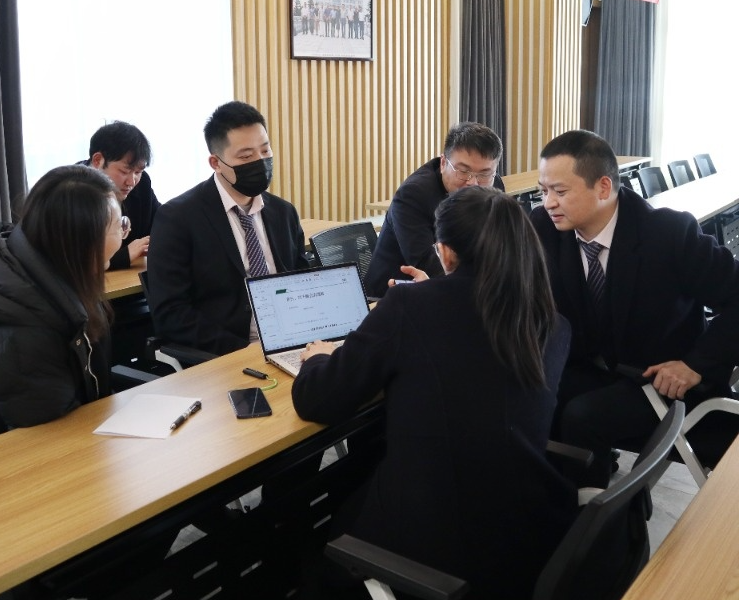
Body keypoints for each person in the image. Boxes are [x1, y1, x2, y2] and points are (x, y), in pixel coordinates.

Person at [293, 187, 577, 599]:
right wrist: (432, 293)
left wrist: (318, 357)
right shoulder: (552, 321)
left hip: (440, 541)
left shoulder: (409, 306)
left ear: (444, 252)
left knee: (323, 535)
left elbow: (318, 399)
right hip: (528, 527)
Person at [531, 129, 739, 488]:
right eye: (543, 191)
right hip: (594, 366)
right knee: (529, 397)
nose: (548, 203)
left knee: (583, 417)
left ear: (603, 187)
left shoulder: (669, 233)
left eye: (559, 192)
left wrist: (694, 364)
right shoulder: (543, 229)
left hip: (662, 380)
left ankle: (603, 518)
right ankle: (558, 506)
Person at [0, 165, 124, 453]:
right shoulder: (23, 330)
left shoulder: (39, 269)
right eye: (118, 226)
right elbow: (49, 438)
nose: (124, 233)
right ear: (81, 240)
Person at [147, 101, 309, 356]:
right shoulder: (178, 218)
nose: (260, 162)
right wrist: (243, 350)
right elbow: (172, 314)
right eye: (246, 156)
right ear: (216, 162)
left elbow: (303, 280)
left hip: (294, 341)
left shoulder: (283, 212)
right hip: (229, 351)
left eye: (265, 150)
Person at [364, 121, 505, 298]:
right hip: (392, 295)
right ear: (443, 163)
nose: (473, 182)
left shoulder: (493, 188)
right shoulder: (413, 196)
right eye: (463, 171)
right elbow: (427, 264)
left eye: (484, 174)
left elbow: (500, 248)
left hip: (460, 289)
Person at [80, 121, 160, 270]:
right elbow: (74, 259)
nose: (131, 181)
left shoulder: (141, 184)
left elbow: (161, 222)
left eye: (138, 172)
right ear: (98, 160)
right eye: (124, 171)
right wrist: (124, 256)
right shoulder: (72, 192)